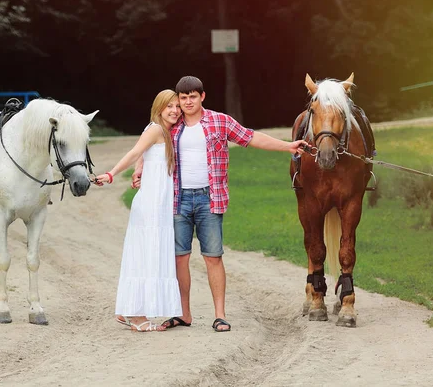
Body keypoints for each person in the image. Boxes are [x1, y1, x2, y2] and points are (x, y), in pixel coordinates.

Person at [132, 76, 309, 332]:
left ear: (202, 96)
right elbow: (149, 146)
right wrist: (139, 168)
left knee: (213, 257)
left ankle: (220, 315)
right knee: (179, 259)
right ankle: (183, 314)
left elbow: (250, 138)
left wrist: (287, 146)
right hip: (177, 200)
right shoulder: (172, 124)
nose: (187, 102)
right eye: (183, 98)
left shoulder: (220, 121)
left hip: (209, 199)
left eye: (193, 96)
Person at [95, 89, 183, 332]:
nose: (175, 110)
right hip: (152, 203)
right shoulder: (155, 129)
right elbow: (135, 151)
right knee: (146, 253)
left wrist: (139, 168)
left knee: (145, 252)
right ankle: (137, 316)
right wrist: (112, 174)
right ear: (159, 109)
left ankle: (128, 309)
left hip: (159, 201)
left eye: (177, 106)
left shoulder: (164, 130)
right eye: (169, 107)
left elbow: (143, 156)